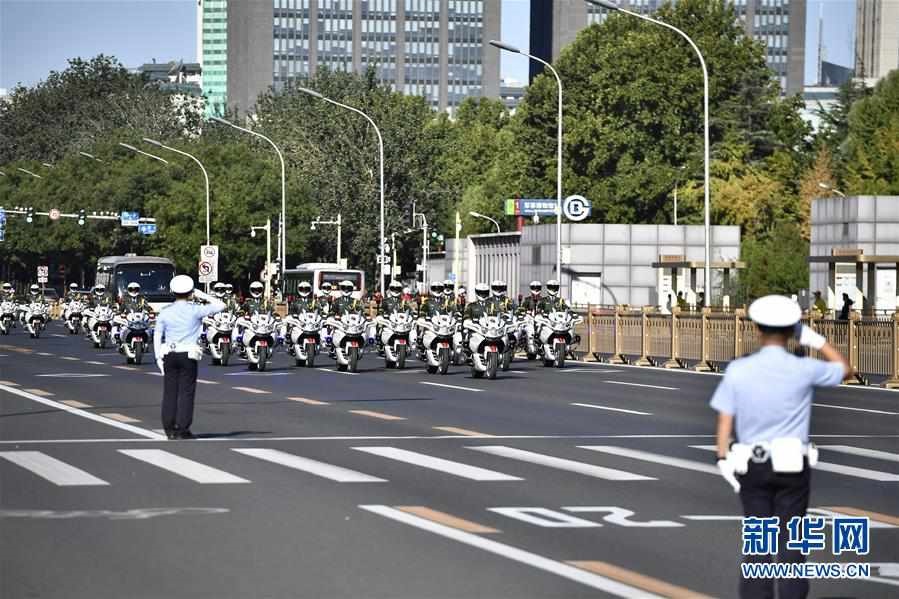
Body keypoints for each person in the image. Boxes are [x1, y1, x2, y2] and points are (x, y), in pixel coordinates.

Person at [711, 295, 850, 599]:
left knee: (758, 547)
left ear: (758, 329)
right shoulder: (803, 368)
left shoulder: (739, 369)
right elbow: (844, 369)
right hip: (792, 465)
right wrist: (814, 339)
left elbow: (724, 421)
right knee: (793, 546)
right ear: (792, 331)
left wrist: (723, 457)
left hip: (753, 465)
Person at [153, 275, 225, 440]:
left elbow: (157, 335)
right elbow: (221, 305)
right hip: (188, 355)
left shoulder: (165, 311)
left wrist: (158, 357)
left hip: (169, 354)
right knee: (186, 392)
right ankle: (182, 428)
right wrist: (202, 294)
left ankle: (169, 429)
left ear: (173, 291)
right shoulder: (195, 310)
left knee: (170, 392)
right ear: (190, 291)